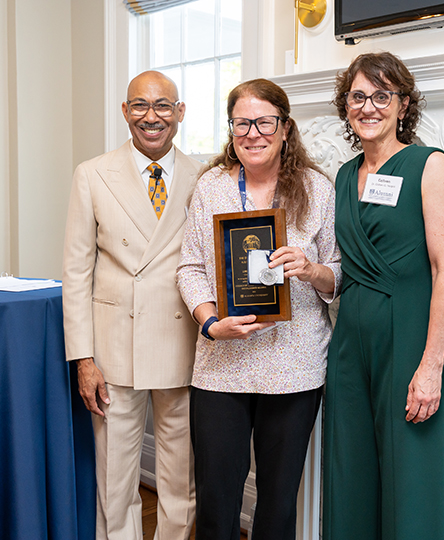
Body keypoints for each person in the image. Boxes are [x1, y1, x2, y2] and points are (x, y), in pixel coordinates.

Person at [176, 78, 341, 540]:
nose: (253, 133)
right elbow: (189, 268)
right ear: (231, 130)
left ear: (285, 128)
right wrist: (210, 322)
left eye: (264, 122)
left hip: (294, 368)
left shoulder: (317, 189)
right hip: (221, 368)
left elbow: (339, 273)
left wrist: (310, 269)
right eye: (241, 123)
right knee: (215, 503)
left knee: (277, 505)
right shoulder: (211, 187)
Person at [322, 52, 444, 540]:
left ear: (403, 105)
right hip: (348, 348)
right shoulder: (343, 176)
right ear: (346, 107)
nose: (368, 106)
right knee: (351, 473)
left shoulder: (430, 165)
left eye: (382, 96)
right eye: (358, 96)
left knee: (411, 479)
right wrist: (310, 271)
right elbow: (343, 269)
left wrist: (430, 365)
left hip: (408, 343)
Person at [62, 71, 200, 540]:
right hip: (114, 347)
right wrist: (83, 358)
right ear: (125, 112)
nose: (151, 116)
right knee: (114, 478)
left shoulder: (205, 176)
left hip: (185, 343)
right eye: (139, 106)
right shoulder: (92, 173)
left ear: (180, 113)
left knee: (180, 478)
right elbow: (76, 273)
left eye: (163, 106)